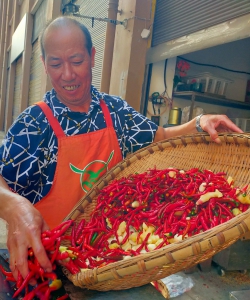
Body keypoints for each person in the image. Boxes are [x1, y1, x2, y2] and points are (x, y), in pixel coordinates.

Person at [0, 16, 243, 282]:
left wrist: (199, 123)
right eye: (56, 64)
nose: (67, 74)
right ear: (45, 66)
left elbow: (158, 137)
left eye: (77, 61)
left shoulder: (114, 111)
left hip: (110, 262)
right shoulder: (33, 125)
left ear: (92, 57)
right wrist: (12, 205)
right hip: (48, 268)